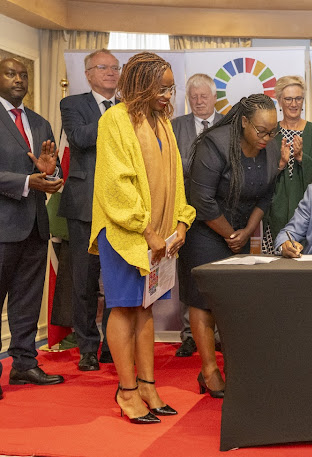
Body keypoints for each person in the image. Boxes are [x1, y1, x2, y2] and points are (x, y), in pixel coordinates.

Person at [89, 52, 195, 423]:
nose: (168, 95)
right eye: (161, 88)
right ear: (141, 85)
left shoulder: (161, 121)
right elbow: (115, 184)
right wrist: (147, 231)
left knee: (146, 307)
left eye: (170, 88)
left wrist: (180, 223)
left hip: (159, 236)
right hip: (123, 233)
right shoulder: (114, 120)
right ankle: (126, 389)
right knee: (125, 307)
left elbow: (176, 179)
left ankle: (148, 384)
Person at [180, 94, 282, 398]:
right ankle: (209, 371)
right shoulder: (214, 144)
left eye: (272, 131)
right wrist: (229, 233)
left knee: (233, 300)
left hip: (240, 230)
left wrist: (248, 231)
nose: (267, 138)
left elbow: (266, 195)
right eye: (261, 131)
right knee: (203, 300)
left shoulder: (270, 146)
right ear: (244, 123)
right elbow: (201, 199)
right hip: (204, 230)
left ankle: (234, 367)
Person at [0, 57, 65, 397]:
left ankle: (24, 364)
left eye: (23, 74)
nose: (19, 80)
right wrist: (28, 180)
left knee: (26, 301)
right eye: (11, 74)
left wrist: (50, 175)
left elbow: (51, 171)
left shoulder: (40, 123)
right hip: (2, 228)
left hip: (36, 227)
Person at [58, 48, 119, 371]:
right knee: (84, 282)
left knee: (115, 281)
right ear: (89, 74)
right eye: (103, 67)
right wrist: (113, 118)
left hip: (118, 209)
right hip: (84, 205)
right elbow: (80, 138)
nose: (111, 72)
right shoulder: (73, 104)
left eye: (115, 67)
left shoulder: (127, 108)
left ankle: (112, 343)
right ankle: (86, 347)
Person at [171, 73, 224, 358]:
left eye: (204, 96)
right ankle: (189, 335)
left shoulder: (229, 125)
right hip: (185, 214)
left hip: (220, 214)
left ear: (215, 98)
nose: (199, 101)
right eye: (194, 97)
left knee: (221, 275)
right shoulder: (173, 126)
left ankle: (218, 333)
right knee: (188, 275)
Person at [264, 75, 312, 247]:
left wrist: (301, 158)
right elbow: (260, 177)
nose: (294, 104)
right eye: (288, 99)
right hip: (274, 212)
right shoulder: (270, 132)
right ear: (279, 101)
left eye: (298, 98)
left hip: (309, 212)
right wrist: (280, 165)